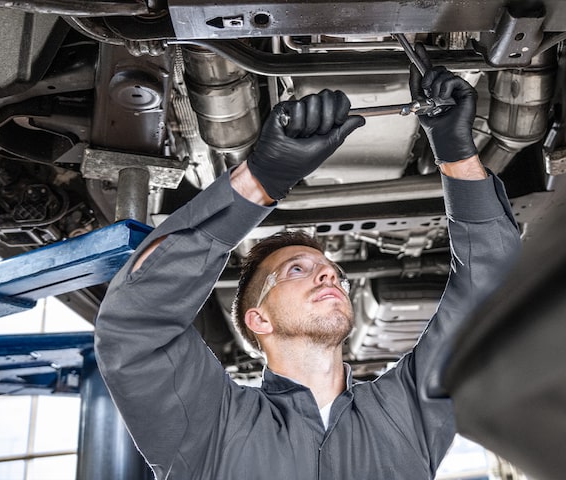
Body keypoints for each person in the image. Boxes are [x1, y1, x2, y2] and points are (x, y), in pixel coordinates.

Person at [94, 53, 522, 479]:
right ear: (257, 319)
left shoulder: (405, 412)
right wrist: (259, 180)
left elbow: (487, 300)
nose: (328, 274)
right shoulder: (209, 427)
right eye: (297, 270)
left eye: (333, 274)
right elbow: (135, 326)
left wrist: (457, 154)